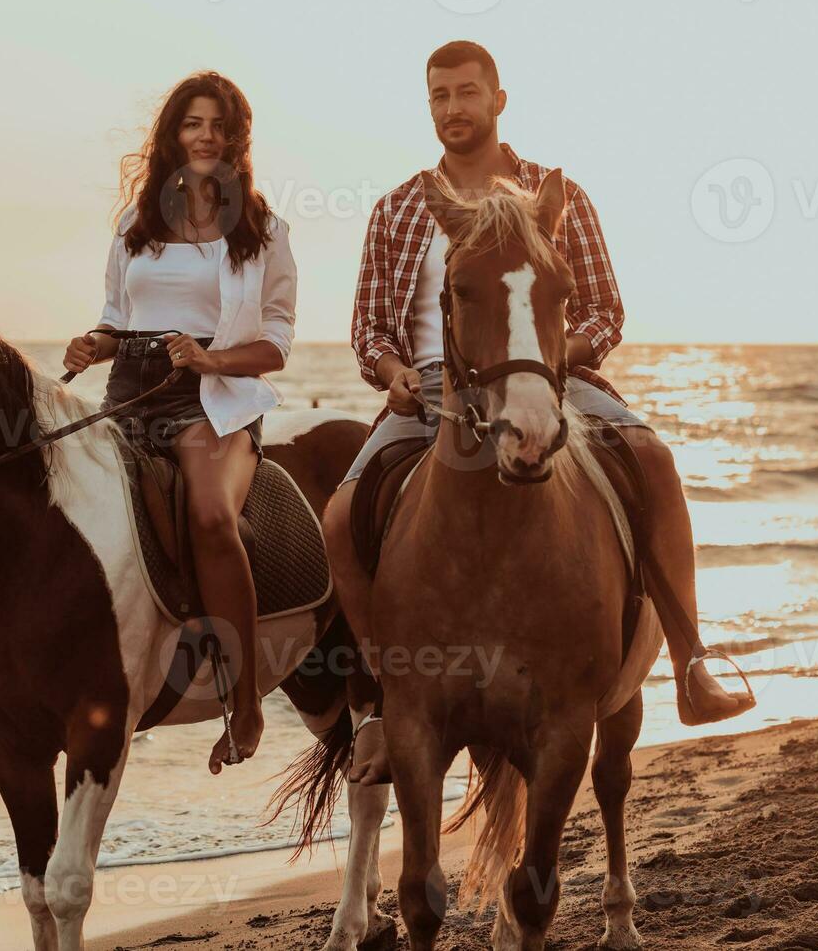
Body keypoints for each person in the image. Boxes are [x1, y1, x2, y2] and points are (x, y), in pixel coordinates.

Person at [321, 41, 756, 785]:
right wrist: (392, 372)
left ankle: (692, 661)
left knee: (651, 458)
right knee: (339, 516)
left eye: (466, 93)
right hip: (431, 388)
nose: (453, 109)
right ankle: (381, 702)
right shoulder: (400, 208)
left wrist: (549, 366)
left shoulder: (556, 195)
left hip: (544, 376)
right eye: (439, 97)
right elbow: (369, 327)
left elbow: (604, 310)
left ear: (498, 99)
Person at [62, 71, 296, 775]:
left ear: (236, 142)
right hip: (129, 390)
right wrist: (94, 343)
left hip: (211, 400)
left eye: (219, 127)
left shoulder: (262, 232)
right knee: (69, 510)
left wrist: (210, 356)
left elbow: (278, 344)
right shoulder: (136, 228)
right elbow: (116, 316)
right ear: (173, 135)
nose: (206, 136)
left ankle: (246, 702)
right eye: (194, 124)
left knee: (210, 519)